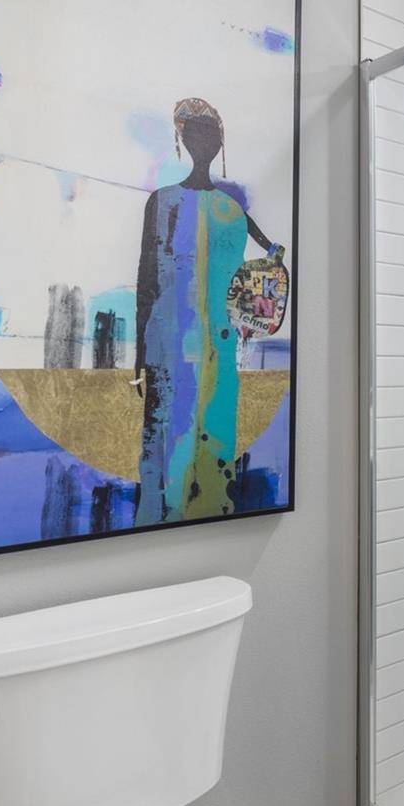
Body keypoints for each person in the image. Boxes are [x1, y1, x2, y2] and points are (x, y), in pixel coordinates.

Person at [133, 98, 279, 523]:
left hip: (220, 346)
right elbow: (147, 279)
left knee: (214, 443)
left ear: (218, 143)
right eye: (195, 133)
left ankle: (209, 517)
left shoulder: (233, 211)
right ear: (182, 136)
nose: (204, 142)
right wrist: (140, 352)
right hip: (167, 345)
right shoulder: (161, 202)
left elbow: (271, 258)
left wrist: (272, 271)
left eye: (210, 135)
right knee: (163, 443)